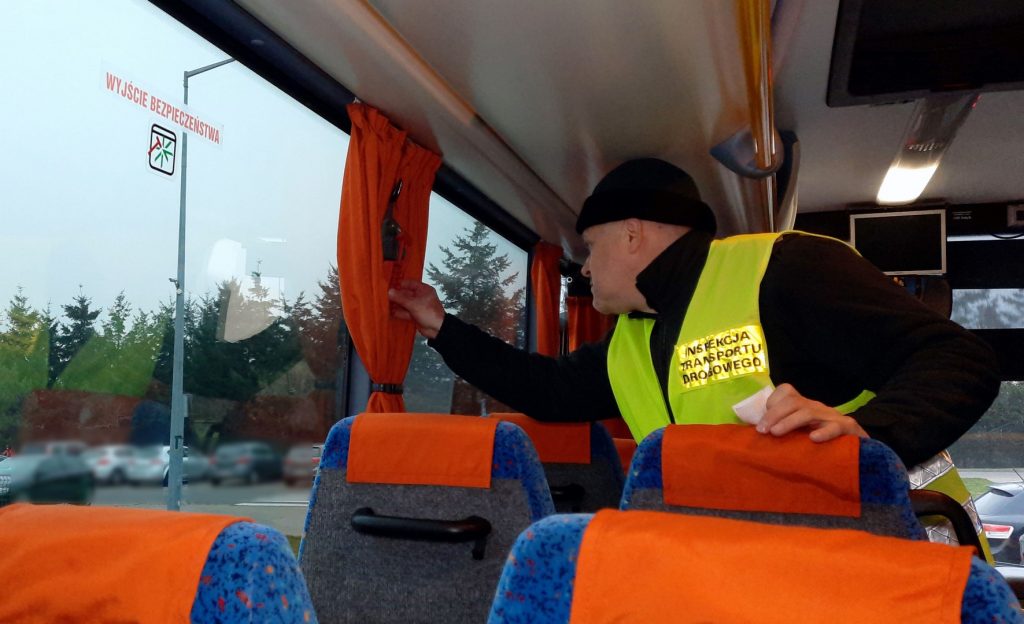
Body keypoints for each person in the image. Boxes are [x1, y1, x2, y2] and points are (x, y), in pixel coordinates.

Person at [388, 158, 999, 469]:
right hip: (726, 553)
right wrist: (440, 327)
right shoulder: (633, 339)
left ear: (632, 234)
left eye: (590, 247)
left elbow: (957, 358)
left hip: (857, 539)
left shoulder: (783, 267)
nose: (586, 269)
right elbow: (544, 390)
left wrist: (869, 433)